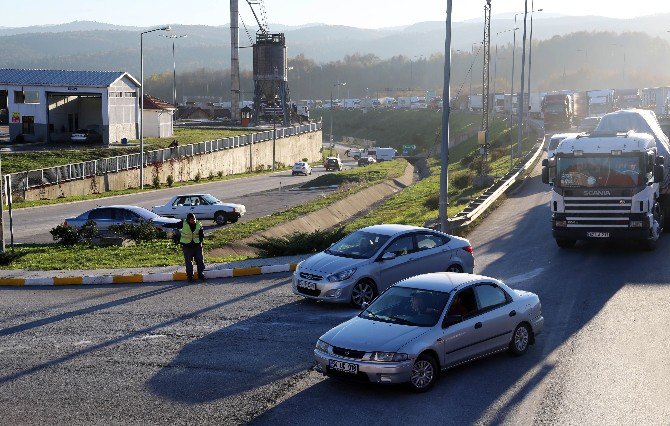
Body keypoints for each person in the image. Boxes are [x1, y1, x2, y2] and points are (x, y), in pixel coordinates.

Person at [178, 213, 206, 283]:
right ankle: (190, 277)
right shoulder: (183, 223)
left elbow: (201, 234)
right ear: (188, 220)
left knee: (200, 261)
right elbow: (173, 225)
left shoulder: (198, 224)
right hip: (187, 246)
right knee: (189, 263)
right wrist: (162, 226)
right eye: (192, 219)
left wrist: (200, 241)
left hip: (197, 246)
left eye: (194, 218)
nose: (193, 220)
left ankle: (201, 275)